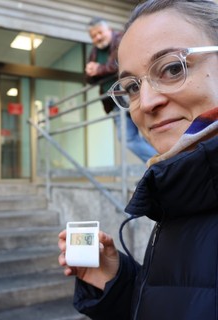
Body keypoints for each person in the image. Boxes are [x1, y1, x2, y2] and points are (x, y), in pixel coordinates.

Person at [58, 0, 218, 319]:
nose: (145, 103)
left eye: (172, 68)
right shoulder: (180, 194)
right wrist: (116, 280)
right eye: (132, 87)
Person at [85, 17, 156, 163]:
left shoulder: (122, 39)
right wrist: (90, 72)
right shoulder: (94, 52)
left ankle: (165, 165)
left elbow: (121, 64)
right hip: (115, 101)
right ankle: (163, 166)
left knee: (150, 131)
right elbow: (90, 79)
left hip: (133, 94)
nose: (97, 37)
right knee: (127, 138)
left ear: (109, 30)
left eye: (100, 32)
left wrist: (99, 69)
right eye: (93, 36)